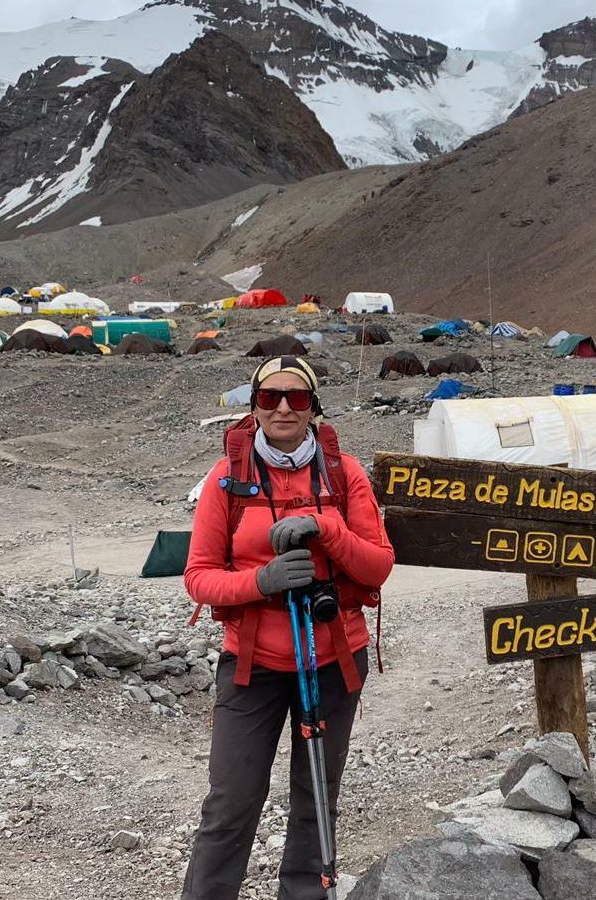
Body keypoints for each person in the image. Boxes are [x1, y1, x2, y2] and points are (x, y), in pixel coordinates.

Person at [182, 356, 394, 900]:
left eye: (296, 398)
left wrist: (326, 529)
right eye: (269, 397)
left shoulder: (344, 474)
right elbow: (199, 577)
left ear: (313, 408)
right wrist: (263, 580)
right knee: (232, 800)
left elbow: (378, 566)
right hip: (252, 662)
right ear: (253, 407)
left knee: (316, 796)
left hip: (334, 657)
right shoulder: (227, 479)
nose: (282, 407)